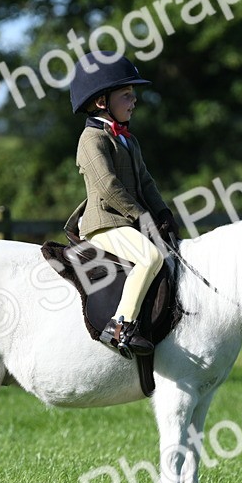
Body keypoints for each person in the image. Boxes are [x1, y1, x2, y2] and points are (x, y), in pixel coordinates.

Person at [66, 51, 177, 358]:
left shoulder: (129, 139)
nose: (134, 100)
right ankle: (120, 326)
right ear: (102, 102)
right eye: (126, 95)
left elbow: (146, 182)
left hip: (128, 221)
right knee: (149, 257)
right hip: (104, 223)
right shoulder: (92, 139)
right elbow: (108, 186)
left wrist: (163, 212)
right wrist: (142, 217)